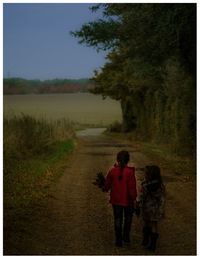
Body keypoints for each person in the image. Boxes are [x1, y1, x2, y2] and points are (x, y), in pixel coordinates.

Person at [104, 150, 137, 247]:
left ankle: (118, 240)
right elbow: (132, 187)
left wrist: (105, 188)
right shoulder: (130, 172)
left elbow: (107, 185)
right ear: (128, 160)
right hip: (128, 201)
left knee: (117, 219)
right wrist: (134, 199)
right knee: (128, 219)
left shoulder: (112, 171)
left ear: (117, 159)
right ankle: (126, 237)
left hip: (116, 200)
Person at [136, 165, 165, 252]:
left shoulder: (145, 185)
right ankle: (153, 245)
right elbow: (162, 196)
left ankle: (145, 240)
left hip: (147, 209)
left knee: (146, 223)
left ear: (148, 175)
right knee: (154, 225)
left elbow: (141, 196)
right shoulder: (161, 185)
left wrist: (137, 202)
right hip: (157, 209)